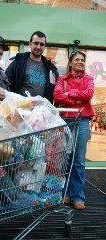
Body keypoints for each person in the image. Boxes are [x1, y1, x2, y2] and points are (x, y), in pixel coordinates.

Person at [53, 51, 94, 210]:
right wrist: (77, 97)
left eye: (82, 60)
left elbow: (88, 94)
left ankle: (77, 195)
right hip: (65, 120)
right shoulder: (62, 79)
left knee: (78, 160)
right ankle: (66, 193)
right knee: (65, 158)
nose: (80, 62)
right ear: (70, 63)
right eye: (76, 59)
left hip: (82, 120)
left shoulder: (88, 79)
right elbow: (57, 96)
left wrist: (69, 94)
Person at [5, 31, 59, 103]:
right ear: (30, 44)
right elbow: (5, 82)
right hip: (21, 109)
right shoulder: (18, 62)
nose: (38, 47)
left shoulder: (49, 67)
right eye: (36, 43)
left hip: (42, 110)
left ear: (45, 47)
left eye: (42, 44)